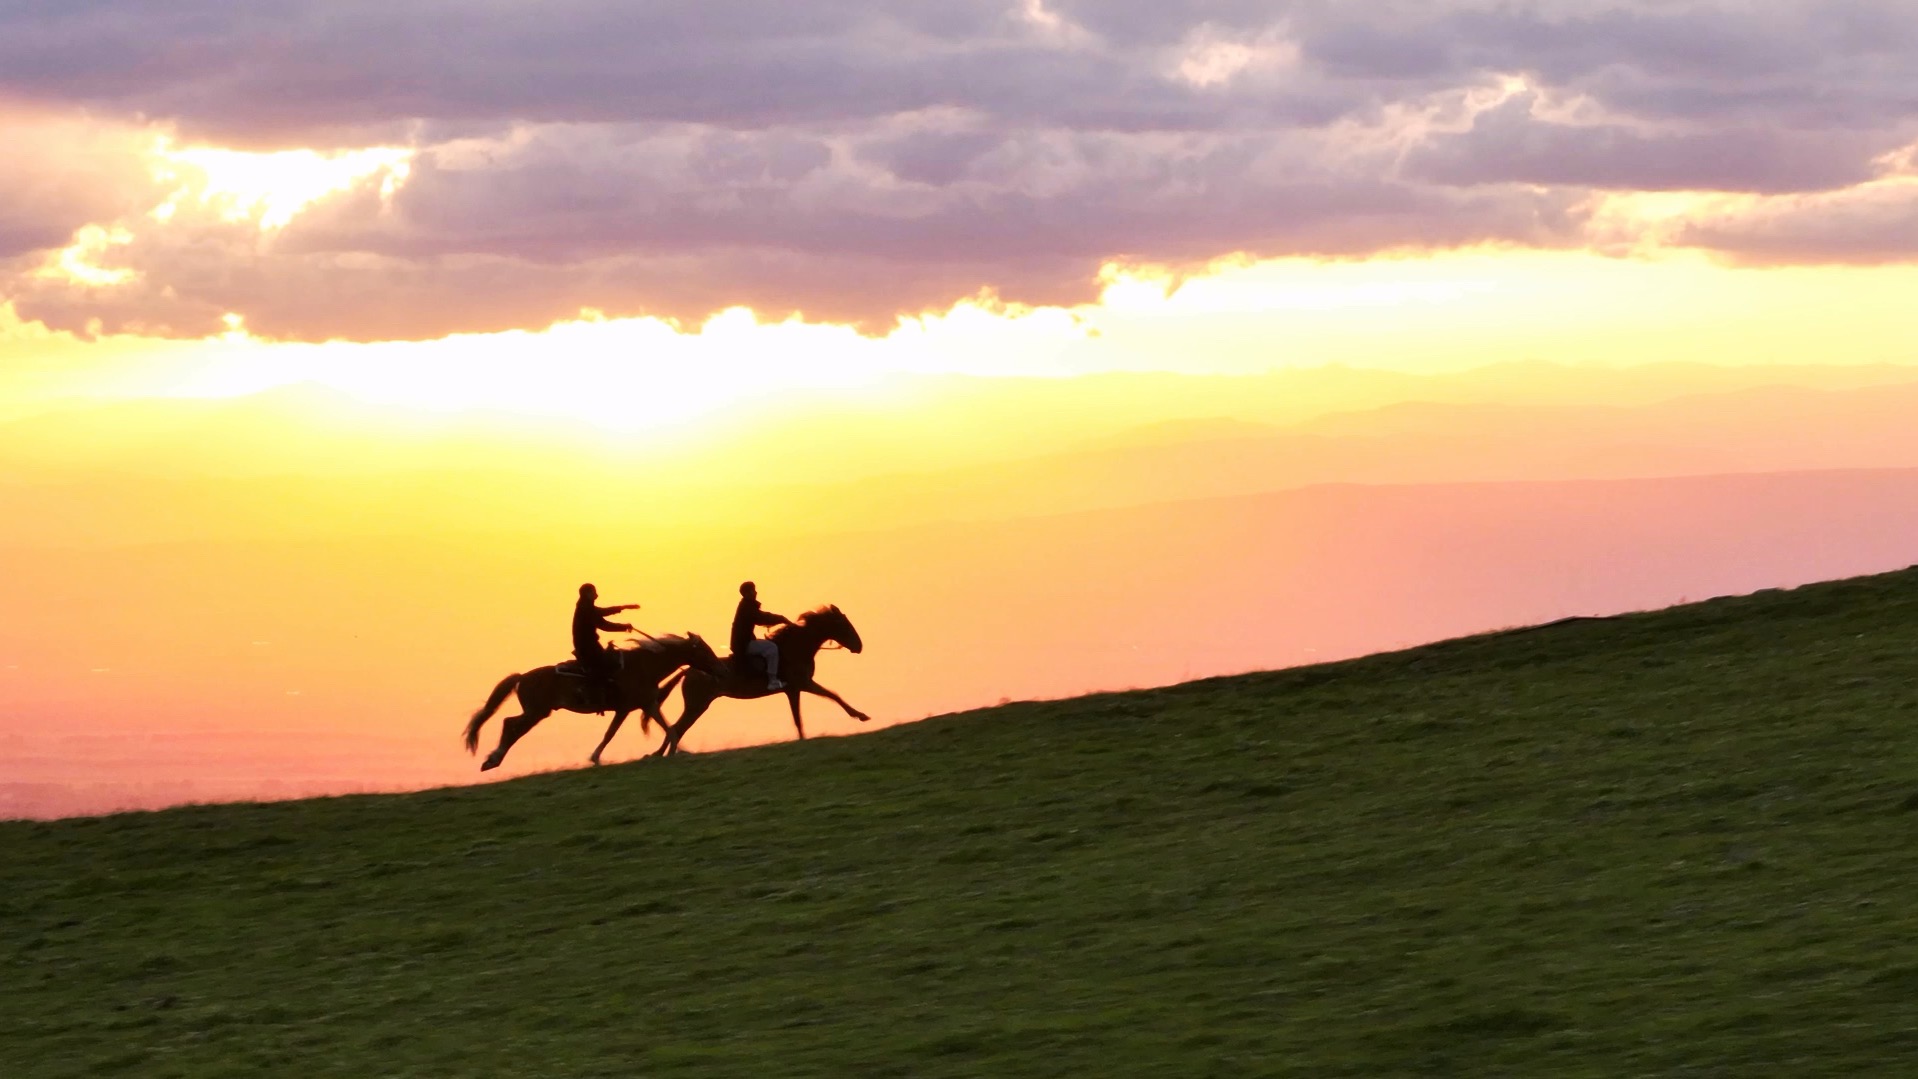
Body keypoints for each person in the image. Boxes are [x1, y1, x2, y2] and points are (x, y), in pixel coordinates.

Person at [572, 583, 639, 710]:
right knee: (607, 664)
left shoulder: (586, 607)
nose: (596, 595)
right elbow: (603, 625)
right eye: (593, 592)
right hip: (586, 646)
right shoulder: (585, 608)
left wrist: (622, 608)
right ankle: (587, 691)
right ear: (587, 594)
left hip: (590, 644)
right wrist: (623, 627)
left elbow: (602, 612)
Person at [731, 580, 792, 691]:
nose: (755, 593)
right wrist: (781, 619)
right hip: (743, 645)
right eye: (753, 590)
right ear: (747, 593)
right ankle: (772, 681)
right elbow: (762, 618)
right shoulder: (747, 607)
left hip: (743, 643)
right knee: (772, 648)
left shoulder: (746, 605)